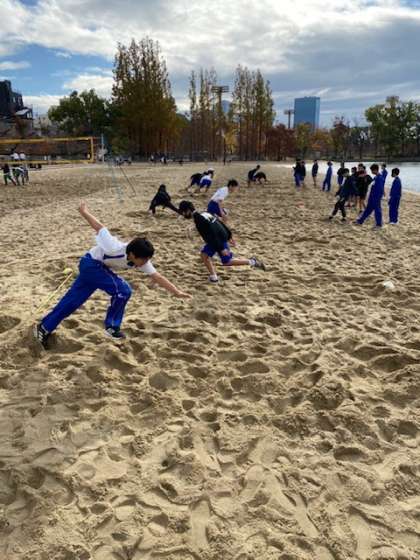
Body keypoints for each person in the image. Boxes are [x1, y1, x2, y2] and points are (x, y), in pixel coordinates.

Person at [34, 202, 191, 348]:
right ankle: (112, 327)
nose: (145, 263)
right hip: (90, 264)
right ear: (132, 254)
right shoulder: (113, 247)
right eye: (143, 260)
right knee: (123, 290)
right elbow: (99, 227)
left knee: (72, 301)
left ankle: (44, 328)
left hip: (97, 270)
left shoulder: (141, 261)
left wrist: (176, 292)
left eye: (147, 260)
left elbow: (157, 277)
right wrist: (84, 212)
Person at [178, 200, 266, 283]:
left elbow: (212, 233)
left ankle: (253, 262)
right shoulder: (204, 213)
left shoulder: (199, 219)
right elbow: (219, 223)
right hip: (219, 238)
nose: (183, 214)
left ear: (188, 210)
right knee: (204, 255)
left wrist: (221, 248)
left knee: (227, 261)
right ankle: (214, 277)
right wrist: (229, 235)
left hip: (217, 240)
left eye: (183, 212)